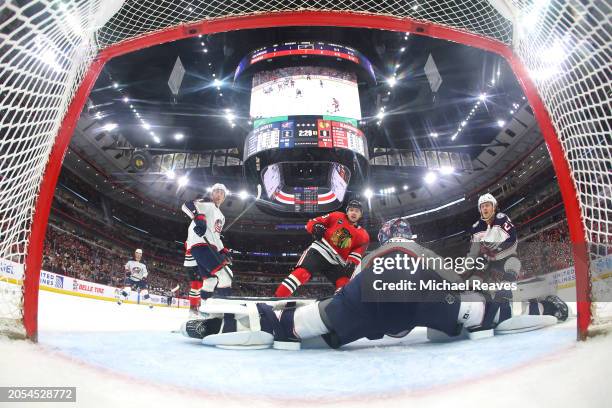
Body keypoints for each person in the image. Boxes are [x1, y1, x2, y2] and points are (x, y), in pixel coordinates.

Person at [182, 216, 568, 349]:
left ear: (383, 238)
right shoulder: (417, 248)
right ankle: (544, 305)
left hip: (364, 300)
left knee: (289, 325)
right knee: (485, 311)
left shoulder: (372, 255)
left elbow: (349, 287)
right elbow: (452, 281)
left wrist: (331, 312)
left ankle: (217, 324)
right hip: (422, 295)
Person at [274, 200, 370, 297]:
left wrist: (352, 262)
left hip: (338, 261)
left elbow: (358, 251)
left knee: (345, 285)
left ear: (360, 214)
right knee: (302, 273)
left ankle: (339, 307)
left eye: (357, 211)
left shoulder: (363, 235)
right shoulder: (337, 216)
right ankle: (277, 298)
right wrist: (315, 227)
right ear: (347, 211)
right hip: (320, 250)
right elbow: (312, 222)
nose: (353, 213)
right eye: (351, 210)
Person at [182, 183, 233, 317]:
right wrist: (199, 219)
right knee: (226, 276)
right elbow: (186, 205)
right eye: (216, 191)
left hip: (209, 246)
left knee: (210, 281)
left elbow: (216, 237)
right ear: (211, 193)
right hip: (200, 245)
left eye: (221, 192)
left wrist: (223, 250)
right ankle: (226, 315)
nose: (218, 194)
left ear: (224, 197)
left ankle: (204, 311)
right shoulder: (206, 203)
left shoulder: (221, 216)